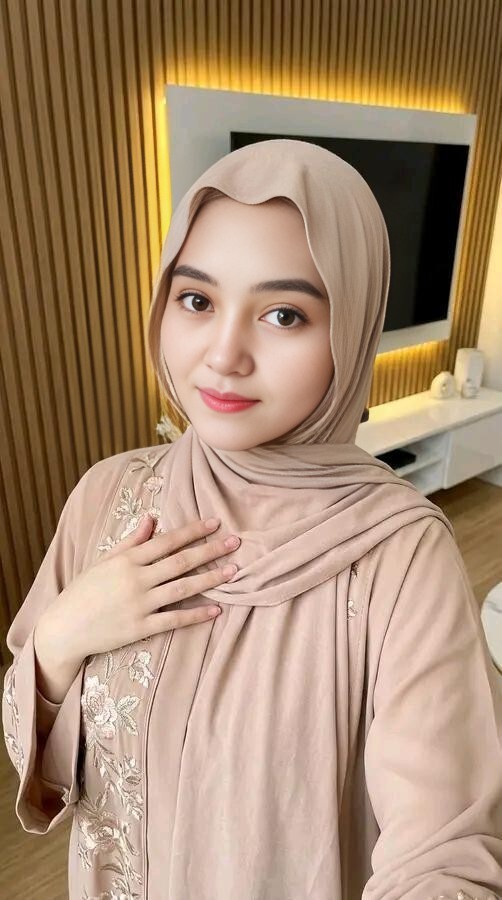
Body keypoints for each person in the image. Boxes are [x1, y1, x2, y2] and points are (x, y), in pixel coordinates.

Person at [2, 139, 502, 899]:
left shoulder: (400, 557)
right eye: (197, 301)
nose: (224, 355)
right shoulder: (109, 496)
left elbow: (445, 850)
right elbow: (35, 742)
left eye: (283, 314)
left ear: (350, 330)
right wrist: (61, 636)